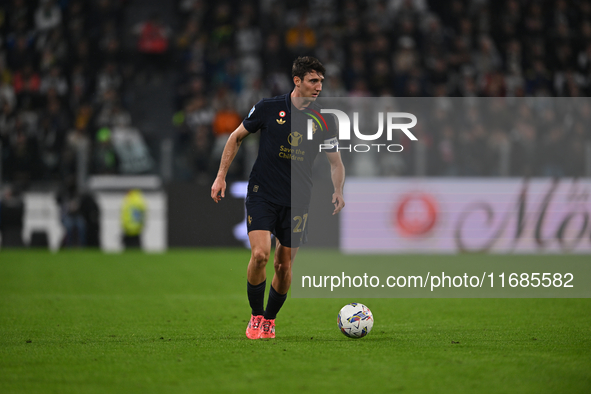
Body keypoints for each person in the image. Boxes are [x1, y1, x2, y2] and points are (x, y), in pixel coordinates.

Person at [211, 56, 345, 339]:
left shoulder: (325, 120)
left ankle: (270, 320)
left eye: (321, 81)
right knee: (260, 254)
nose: (319, 86)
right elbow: (235, 137)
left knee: (283, 265)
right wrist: (221, 175)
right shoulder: (268, 108)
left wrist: (338, 190)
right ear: (297, 81)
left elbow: (336, 162)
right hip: (263, 193)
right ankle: (256, 316)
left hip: (298, 200)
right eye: (313, 80)